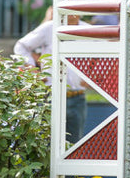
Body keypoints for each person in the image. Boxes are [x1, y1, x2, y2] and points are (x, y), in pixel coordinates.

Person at [14, 8, 87, 143]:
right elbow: (21, 46)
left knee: (74, 145)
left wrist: (95, 76)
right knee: (46, 143)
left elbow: (105, 52)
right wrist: (32, 70)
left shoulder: (88, 30)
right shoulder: (49, 27)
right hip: (50, 96)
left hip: (77, 97)